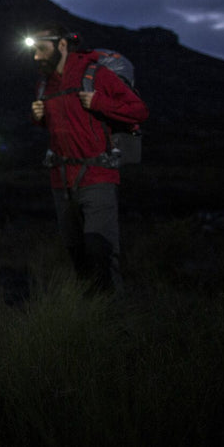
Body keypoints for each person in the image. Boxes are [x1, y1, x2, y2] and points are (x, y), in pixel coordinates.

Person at [29, 25, 148, 294]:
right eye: (33, 51)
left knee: (101, 254)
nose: (36, 57)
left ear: (61, 45)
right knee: (78, 258)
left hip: (97, 178)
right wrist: (38, 118)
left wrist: (99, 103)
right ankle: (91, 321)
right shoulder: (44, 84)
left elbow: (139, 111)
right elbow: (62, 125)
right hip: (61, 183)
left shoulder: (95, 74)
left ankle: (116, 326)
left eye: (41, 49)